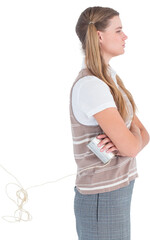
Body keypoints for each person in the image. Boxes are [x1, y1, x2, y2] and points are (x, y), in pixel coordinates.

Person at [71, 6, 148, 240]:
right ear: (99, 36)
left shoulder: (110, 78)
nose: (125, 37)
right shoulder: (92, 86)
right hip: (102, 197)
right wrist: (128, 138)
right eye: (119, 30)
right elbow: (133, 147)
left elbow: (143, 133)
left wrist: (128, 136)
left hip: (118, 189)